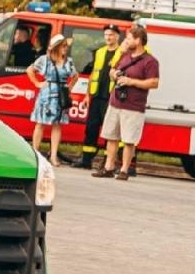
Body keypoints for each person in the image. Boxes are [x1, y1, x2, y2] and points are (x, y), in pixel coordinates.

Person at [93, 24, 159, 180]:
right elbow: (111, 71)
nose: (126, 41)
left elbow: (154, 83)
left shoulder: (150, 61)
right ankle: (108, 167)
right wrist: (114, 74)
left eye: (129, 38)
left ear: (138, 40)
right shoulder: (124, 56)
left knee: (129, 140)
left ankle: (124, 170)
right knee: (111, 136)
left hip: (133, 106)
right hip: (115, 102)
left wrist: (131, 82)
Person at [78, 24, 124, 169]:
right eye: (106, 35)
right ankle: (86, 160)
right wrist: (87, 96)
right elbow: (93, 74)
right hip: (96, 96)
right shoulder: (99, 52)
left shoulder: (122, 53)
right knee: (91, 127)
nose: (108, 37)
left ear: (117, 36)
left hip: (111, 98)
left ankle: (107, 162)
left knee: (109, 130)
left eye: (111, 35)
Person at [28, 33, 76, 167]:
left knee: (57, 125)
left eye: (66, 46)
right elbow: (30, 70)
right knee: (40, 123)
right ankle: (35, 154)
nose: (66, 48)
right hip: (46, 95)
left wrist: (69, 87)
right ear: (56, 47)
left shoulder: (69, 61)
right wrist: (37, 83)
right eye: (63, 46)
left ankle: (53, 156)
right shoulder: (44, 60)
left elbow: (75, 75)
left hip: (61, 95)